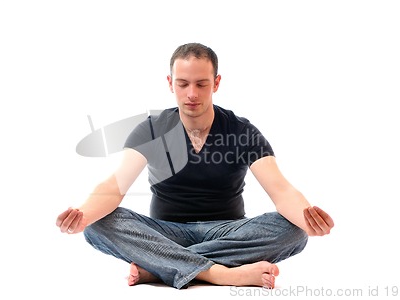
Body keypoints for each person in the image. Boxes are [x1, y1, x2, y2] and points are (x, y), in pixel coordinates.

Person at [56, 42, 334, 289]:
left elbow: (282, 191)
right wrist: (83, 214)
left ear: (216, 83)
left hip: (228, 230)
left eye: (201, 84)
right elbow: (113, 187)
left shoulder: (242, 131)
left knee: (294, 231)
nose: (191, 94)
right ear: (170, 82)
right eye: (183, 83)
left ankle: (161, 266)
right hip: (165, 230)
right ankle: (219, 274)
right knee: (96, 225)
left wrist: (308, 217)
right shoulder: (151, 130)